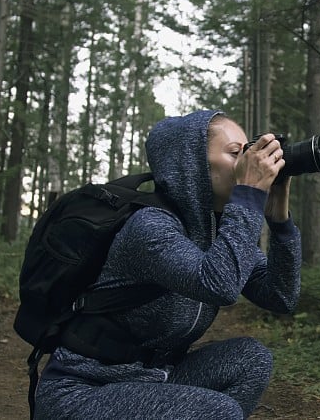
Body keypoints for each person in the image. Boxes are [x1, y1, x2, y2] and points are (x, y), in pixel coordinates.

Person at [33, 109, 302, 419]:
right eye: (235, 153)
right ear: (190, 165)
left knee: (251, 358)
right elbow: (220, 285)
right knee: (219, 412)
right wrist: (249, 195)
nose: (247, 162)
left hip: (151, 379)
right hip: (84, 392)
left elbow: (281, 296)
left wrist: (279, 221)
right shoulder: (149, 226)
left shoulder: (216, 232)